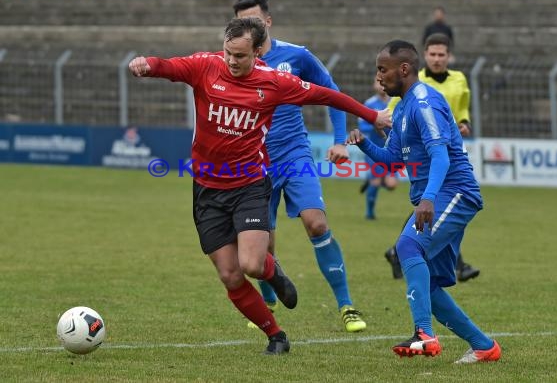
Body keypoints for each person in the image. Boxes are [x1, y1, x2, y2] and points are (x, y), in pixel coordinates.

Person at [128, 18, 390, 354]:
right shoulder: (206, 67)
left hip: (249, 185)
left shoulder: (275, 81)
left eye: (239, 55)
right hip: (207, 189)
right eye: (228, 53)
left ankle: (273, 272)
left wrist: (372, 117)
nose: (232, 61)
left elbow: (328, 95)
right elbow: (168, 66)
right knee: (230, 275)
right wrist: (146, 64)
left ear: (257, 52)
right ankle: (276, 335)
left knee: (252, 265)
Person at [347, 40, 501, 363]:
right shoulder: (401, 108)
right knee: (427, 284)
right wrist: (363, 144)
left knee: (407, 248)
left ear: (403, 69)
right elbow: (391, 160)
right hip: (440, 194)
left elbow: (441, 158)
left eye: (382, 70)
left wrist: (428, 198)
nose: (379, 78)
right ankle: (484, 346)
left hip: (454, 191)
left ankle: (424, 334)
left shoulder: (423, 102)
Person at [232, 0, 367, 333]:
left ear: (268, 22)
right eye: (243, 24)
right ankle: (270, 301)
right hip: (253, 163)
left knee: (316, 224)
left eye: (255, 22)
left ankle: (346, 305)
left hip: (294, 155)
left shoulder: (296, 56)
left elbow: (331, 92)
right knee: (263, 245)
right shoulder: (233, 62)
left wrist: (339, 141)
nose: (250, 28)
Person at [384, 33, 480, 282]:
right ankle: (407, 250)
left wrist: (463, 122)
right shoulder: (415, 81)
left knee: (444, 207)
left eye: (442, 54)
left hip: (447, 149)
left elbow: (462, 106)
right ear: (425, 56)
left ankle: (409, 252)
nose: (437, 59)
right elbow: (397, 113)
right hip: (425, 154)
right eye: (433, 54)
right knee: (431, 206)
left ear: (449, 56)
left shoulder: (459, 79)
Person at [359, 79, 399, 220]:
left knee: (392, 185)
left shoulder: (395, 102)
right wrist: (378, 124)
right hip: (374, 150)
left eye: (385, 82)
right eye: (378, 82)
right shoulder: (369, 104)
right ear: (374, 85)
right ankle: (369, 213)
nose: (382, 85)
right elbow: (362, 127)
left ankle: (371, 180)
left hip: (391, 149)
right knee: (376, 181)